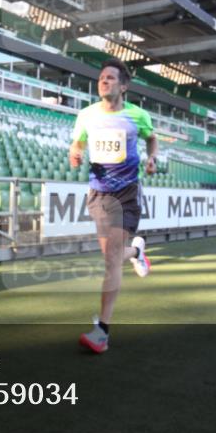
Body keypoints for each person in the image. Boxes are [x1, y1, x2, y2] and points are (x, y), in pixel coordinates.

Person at [69, 58, 157, 354]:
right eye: (101, 78)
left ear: (123, 86)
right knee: (113, 256)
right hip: (100, 194)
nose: (103, 82)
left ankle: (102, 332)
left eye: (110, 78)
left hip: (127, 193)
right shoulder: (86, 115)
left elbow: (152, 138)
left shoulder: (138, 115)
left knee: (111, 260)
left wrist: (151, 157)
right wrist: (75, 155)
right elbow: (77, 143)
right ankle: (138, 251)